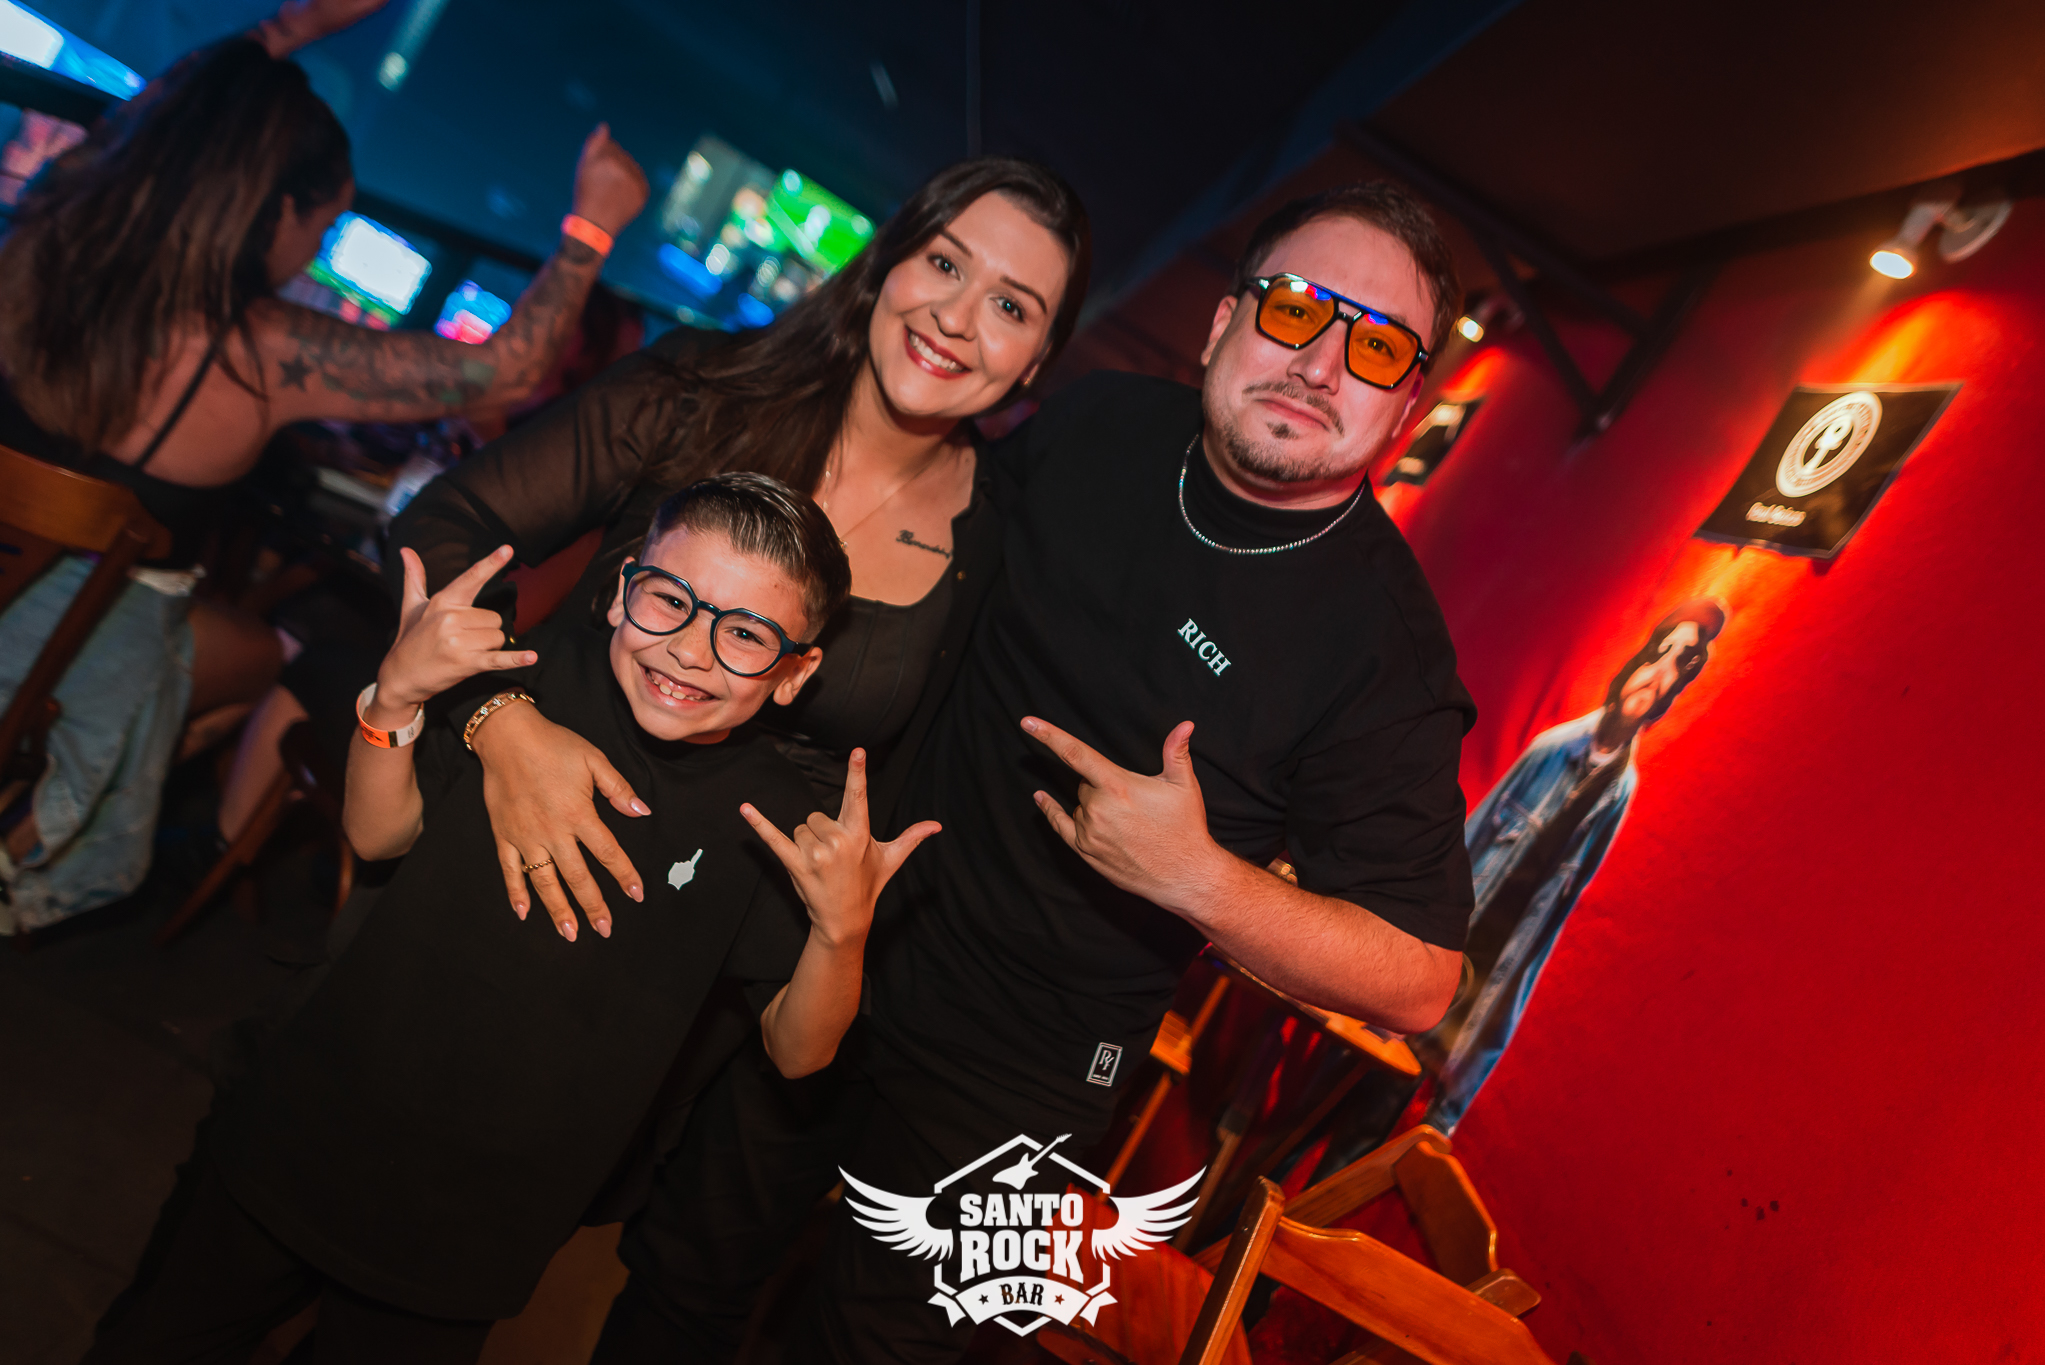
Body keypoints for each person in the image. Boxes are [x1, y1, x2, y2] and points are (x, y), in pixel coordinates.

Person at [590, 182, 1480, 1363]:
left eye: (1374, 347)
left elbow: (1419, 979)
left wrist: (1196, 879)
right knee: (679, 1280)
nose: (1318, 365)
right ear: (1222, 324)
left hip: (1023, 1072)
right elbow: (922, 546)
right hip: (838, 944)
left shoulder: (1381, 653)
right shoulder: (1098, 426)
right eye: (1294, 309)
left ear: (1406, 403)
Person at [87, 473, 940, 1364]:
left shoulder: (777, 824)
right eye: (668, 599)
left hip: (475, 1223)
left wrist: (841, 931)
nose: (691, 649)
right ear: (620, 591)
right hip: (306, 1122)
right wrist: (393, 699)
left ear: (794, 672)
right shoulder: (524, 688)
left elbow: (797, 1050)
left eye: (746, 634)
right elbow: (379, 835)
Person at [0, 0, 648, 934]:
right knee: (253, 655)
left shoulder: (50, 231)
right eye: (323, 225)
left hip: (22, 600)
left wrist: (296, 23)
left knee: (221, 650)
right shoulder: (254, 353)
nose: (319, 249)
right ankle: (46, 838)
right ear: (276, 211)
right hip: (74, 640)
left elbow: (164, 117)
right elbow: (503, 370)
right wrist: (592, 228)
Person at [388, 156, 1089, 943]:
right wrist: (500, 721)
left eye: (1009, 305)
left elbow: (914, 791)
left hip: (712, 951)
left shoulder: (997, 539)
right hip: (504, 847)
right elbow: (444, 524)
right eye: (944, 263)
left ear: (1035, 360)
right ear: (888, 263)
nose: (955, 317)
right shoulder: (703, 390)